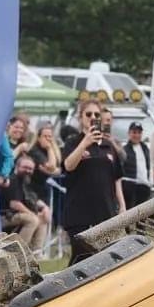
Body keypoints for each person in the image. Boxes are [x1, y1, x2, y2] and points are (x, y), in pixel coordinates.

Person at [61, 105, 124, 265]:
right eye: (88, 114)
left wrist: (122, 206)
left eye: (96, 114)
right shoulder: (72, 142)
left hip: (104, 211)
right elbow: (68, 166)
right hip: (79, 212)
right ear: (80, 117)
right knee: (81, 260)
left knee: (105, 261)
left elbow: (117, 178)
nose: (92, 117)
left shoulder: (108, 146)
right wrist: (84, 144)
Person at [3, 153, 51, 253]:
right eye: (25, 167)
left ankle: (35, 254)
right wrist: (33, 214)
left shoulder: (25, 181)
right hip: (3, 216)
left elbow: (34, 198)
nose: (28, 171)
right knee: (32, 219)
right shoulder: (12, 179)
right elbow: (15, 204)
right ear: (17, 166)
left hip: (15, 215)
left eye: (30, 169)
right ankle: (18, 253)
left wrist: (45, 208)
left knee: (42, 220)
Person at [120, 122, 152, 209]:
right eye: (134, 132)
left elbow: (148, 167)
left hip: (144, 186)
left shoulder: (145, 148)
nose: (137, 135)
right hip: (129, 185)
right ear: (129, 133)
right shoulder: (124, 149)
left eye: (139, 133)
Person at [28, 122, 62, 202]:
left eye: (50, 136)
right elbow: (51, 166)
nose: (47, 139)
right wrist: (49, 148)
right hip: (33, 188)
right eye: (45, 136)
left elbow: (58, 169)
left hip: (45, 187)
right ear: (38, 138)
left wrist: (54, 171)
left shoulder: (55, 150)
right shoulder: (34, 150)